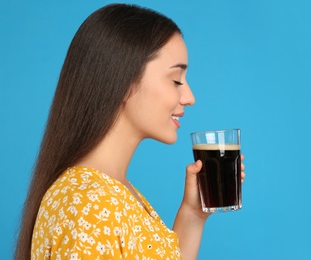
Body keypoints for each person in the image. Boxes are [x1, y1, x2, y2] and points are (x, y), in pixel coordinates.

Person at [14, 3, 245, 260]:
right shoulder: (91, 203)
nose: (189, 97)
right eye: (176, 80)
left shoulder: (111, 191)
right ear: (123, 82)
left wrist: (193, 214)